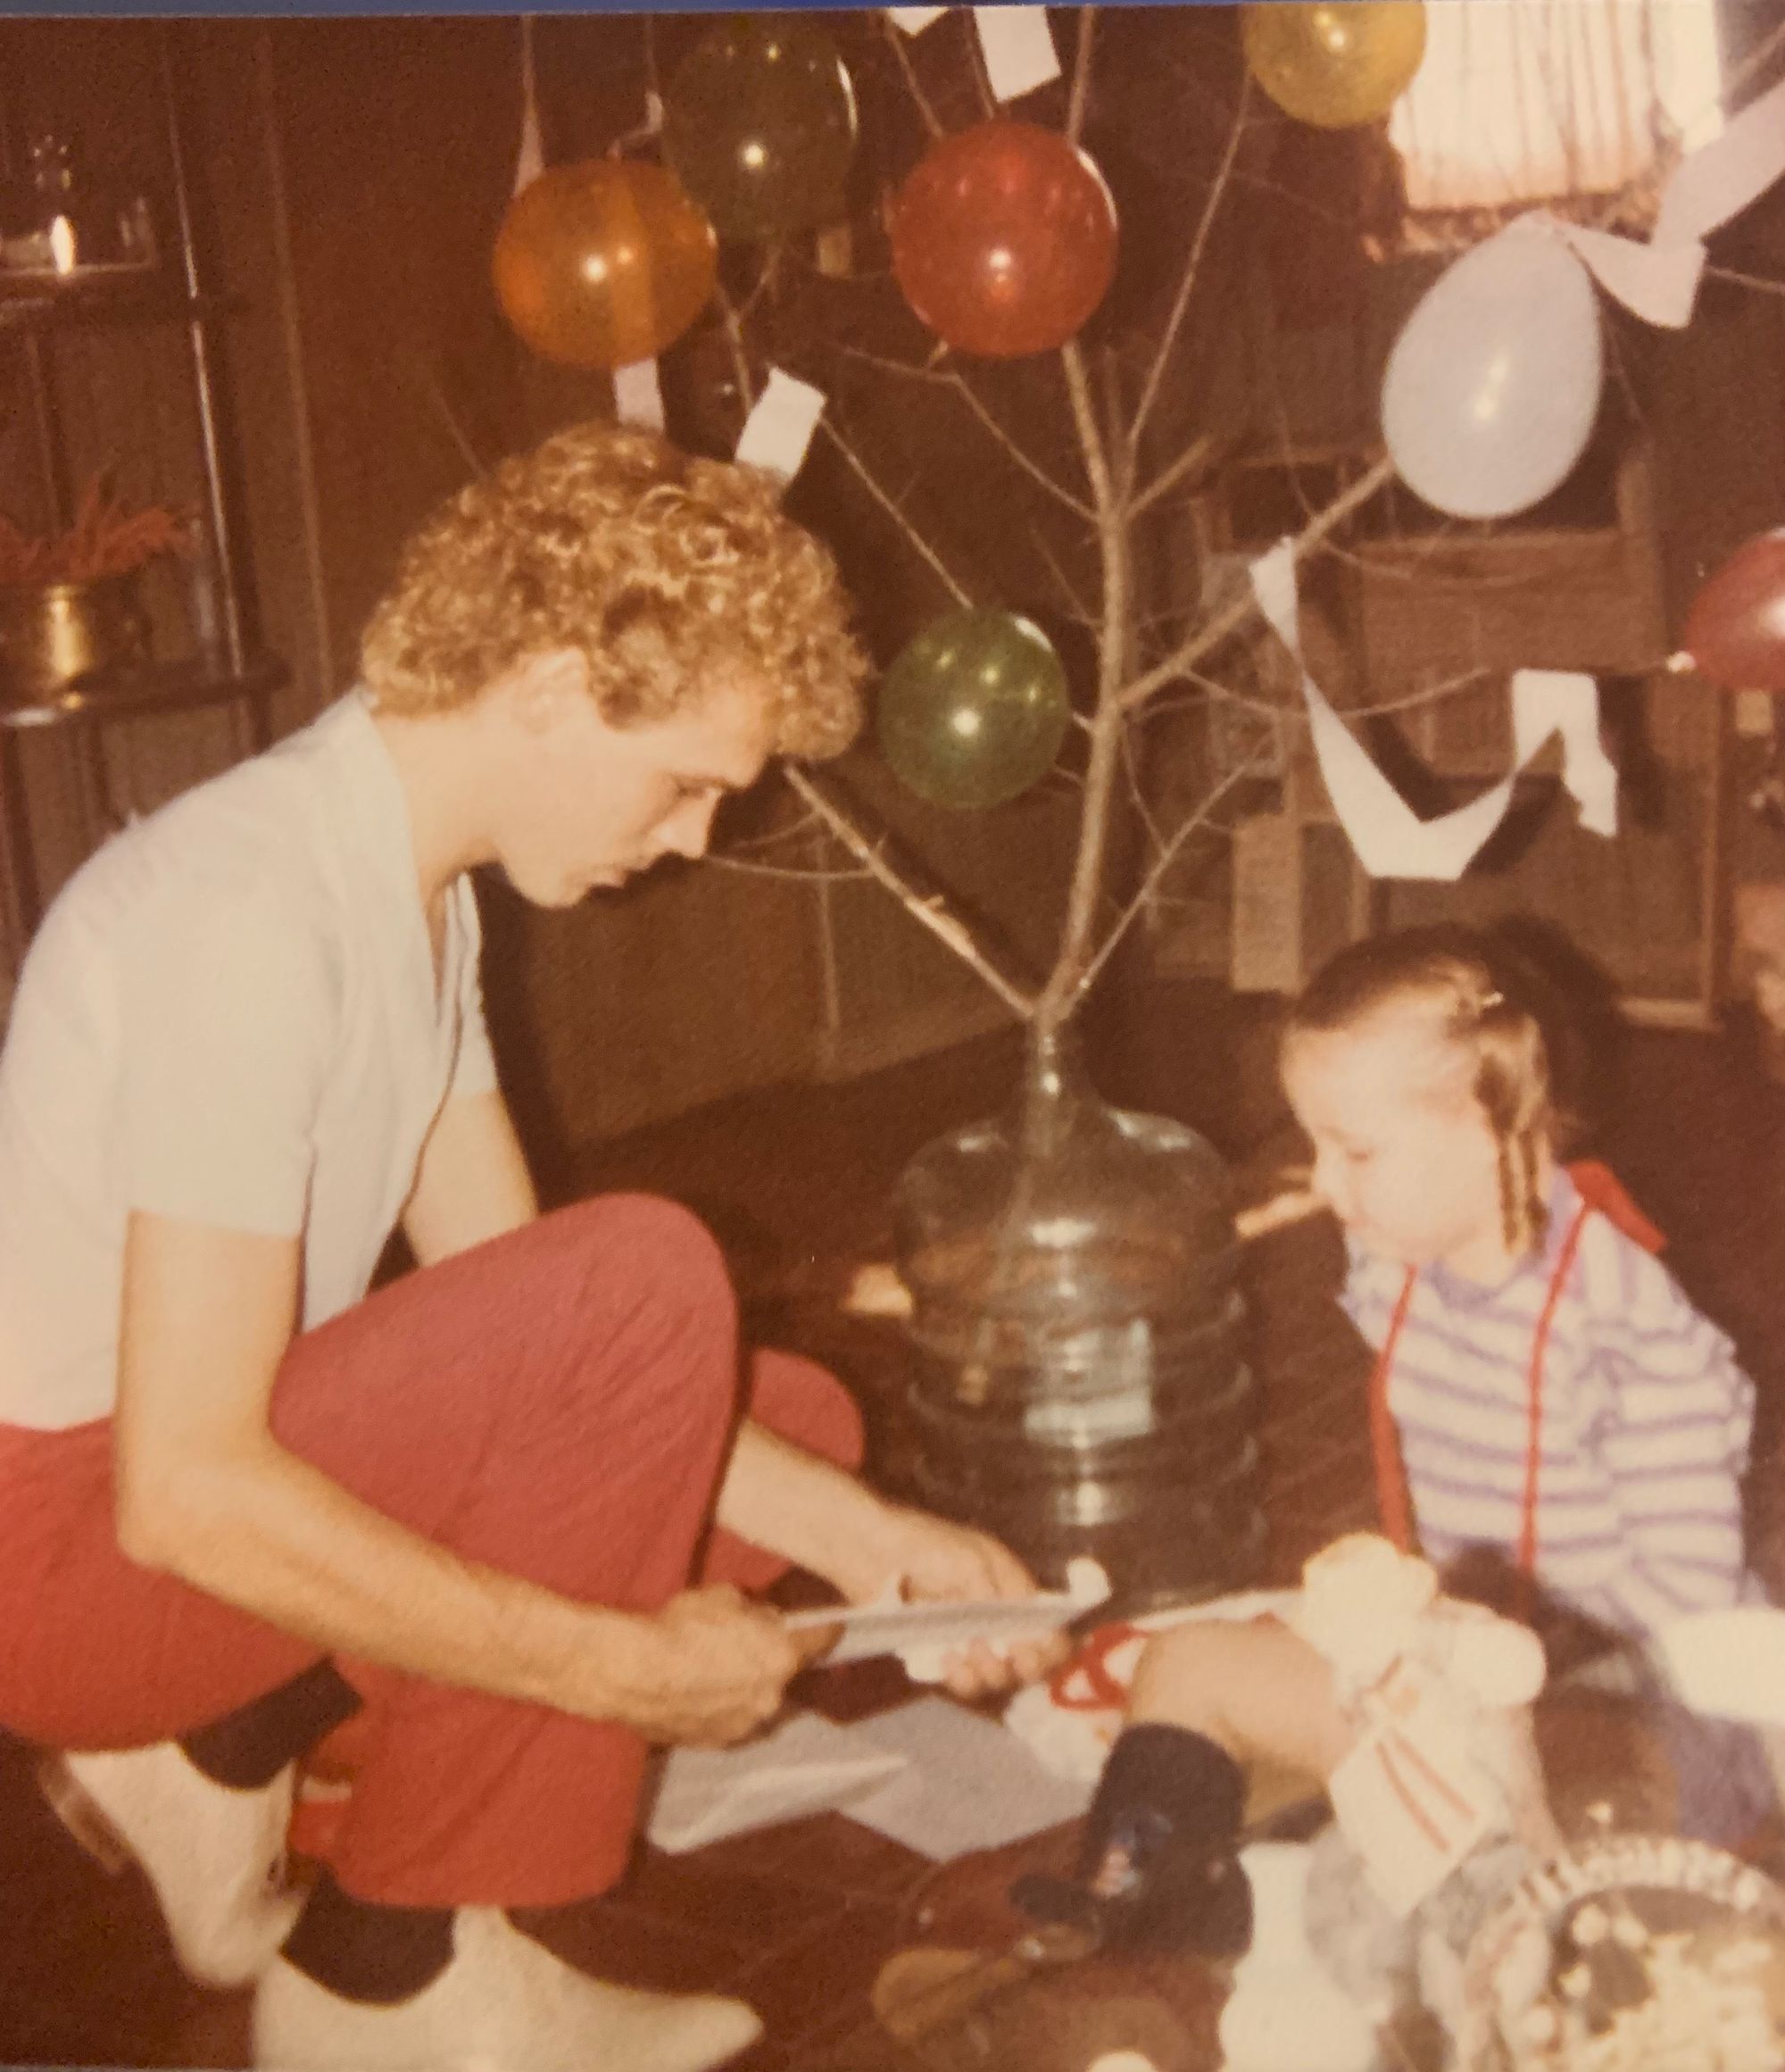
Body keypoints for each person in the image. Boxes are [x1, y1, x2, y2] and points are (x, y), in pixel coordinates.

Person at [0, 421, 1057, 2072]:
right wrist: (616, 1667)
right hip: (59, 1555)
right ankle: (387, 1978)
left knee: (786, 1418)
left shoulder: (406, 890)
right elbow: (183, 1485)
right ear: (556, 686)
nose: (698, 839)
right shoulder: (250, 916)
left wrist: (877, 1545)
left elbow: (531, 1311)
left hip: (135, 1521)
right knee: (646, 1289)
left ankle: (226, 1749)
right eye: (691, 782)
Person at [1015, 923, 1774, 1956]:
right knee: (1188, 1660)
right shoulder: (1403, 1267)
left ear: (1496, 1118)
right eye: (1315, 1144)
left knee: (1439, 1850)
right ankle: (1133, 1903)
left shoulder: (1630, 1338)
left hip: (1639, 1722)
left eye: (1356, 1149)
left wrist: (1480, 1664)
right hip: (1459, 1682)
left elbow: (1692, 1627)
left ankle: (1331, 1916)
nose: (1326, 1183)